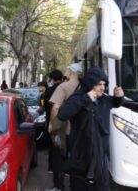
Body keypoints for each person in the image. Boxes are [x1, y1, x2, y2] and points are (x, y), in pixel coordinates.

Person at [57, 67, 124, 191]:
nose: (102, 88)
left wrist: (119, 98)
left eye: (104, 84)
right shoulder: (78, 98)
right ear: (89, 84)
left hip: (100, 158)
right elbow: (62, 114)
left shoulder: (103, 99)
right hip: (81, 157)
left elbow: (114, 103)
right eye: (98, 84)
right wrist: (85, 99)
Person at [47, 63, 83, 191]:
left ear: (71, 73)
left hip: (64, 129)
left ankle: (59, 186)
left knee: (58, 158)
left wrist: (52, 124)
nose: (65, 72)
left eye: (67, 70)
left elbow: (56, 108)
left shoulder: (63, 87)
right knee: (77, 158)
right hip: (80, 130)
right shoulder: (84, 87)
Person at [43, 70, 63, 174]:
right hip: (63, 120)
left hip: (51, 120)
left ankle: (51, 167)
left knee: (52, 145)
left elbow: (46, 106)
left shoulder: (49, 90)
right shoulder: (64, 88)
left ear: (52, 78)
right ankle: (64, 168)